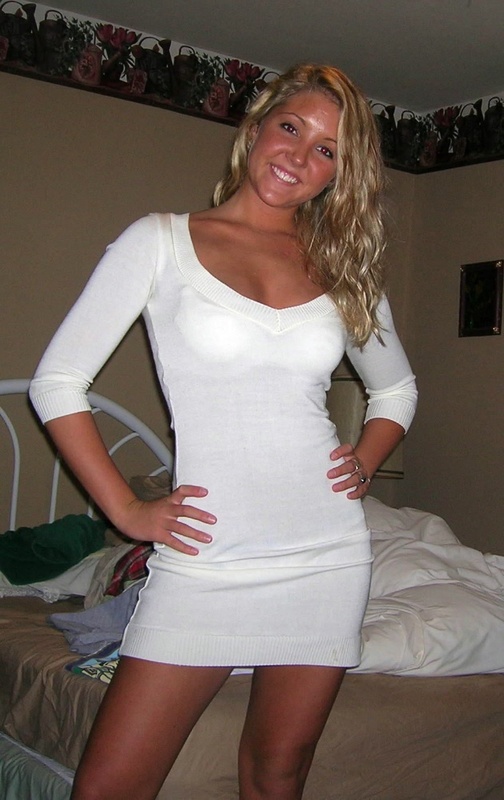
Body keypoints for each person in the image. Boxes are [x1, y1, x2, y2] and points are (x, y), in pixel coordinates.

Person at [29, 62, 417, 800]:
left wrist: (365, 460)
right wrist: (128, 510)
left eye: (327, 150)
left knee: (277, 775)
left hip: (325, 556)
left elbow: (396, 389)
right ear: (256, 126)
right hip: (206, 558)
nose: (299, 156)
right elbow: (57, 384)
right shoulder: (160, 242)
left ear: (339, 174)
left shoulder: (341, 269)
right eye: (291, 128)